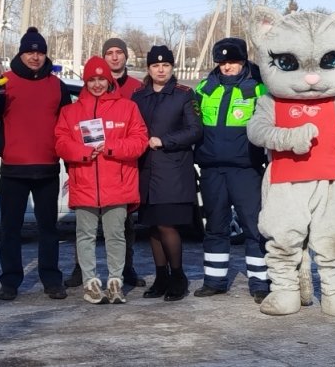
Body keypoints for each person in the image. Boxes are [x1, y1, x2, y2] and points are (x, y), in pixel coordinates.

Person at [55, 56, 148, 304]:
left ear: (109, 80)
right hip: (85, 183)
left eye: (101, 79)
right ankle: (90, 282)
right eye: (92, 80)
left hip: (117, 184)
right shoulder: (70, 111)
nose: (97, 84)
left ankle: (115, 280)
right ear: (85, 82)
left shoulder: (128, 108)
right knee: (84, 235)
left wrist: (111, 147)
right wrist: (83, 152)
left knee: (116, 234)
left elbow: (139, 141)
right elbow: (61, 143)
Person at [0, 27, 70, 301]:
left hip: (47, 167)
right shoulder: (5, 82)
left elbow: (67, 125)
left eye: (40, 52)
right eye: (30, 52)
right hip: (14, 169)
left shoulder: (56, 85)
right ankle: (10, 281)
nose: (35, 57)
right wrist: (4, 147)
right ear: (21, 54)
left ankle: (51, 278)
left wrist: (67, 160)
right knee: (10, 229)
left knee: (48, 228)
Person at [193, 38, 270, 303]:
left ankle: (260, 283)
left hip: (246, 170)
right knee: (215, 227)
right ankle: (214, 281)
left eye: (233, 62)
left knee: (253, 227)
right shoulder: (204, 88)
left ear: (243, 62)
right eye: (223, 63)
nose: (227, 67)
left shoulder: (258, 90)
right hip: (212, 170)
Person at [131, 45, 203, 301]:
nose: (160, 70)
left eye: (165, 65)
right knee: (152, 226)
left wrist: (165, 140)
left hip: (172, 170)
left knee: (167, 225)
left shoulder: (184, 94)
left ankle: (178, 277)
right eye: (155, 66)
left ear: (172, 67)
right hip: (146, 171)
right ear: (148, 69)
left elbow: (195, 130)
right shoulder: (139, 97)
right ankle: (161, 277)